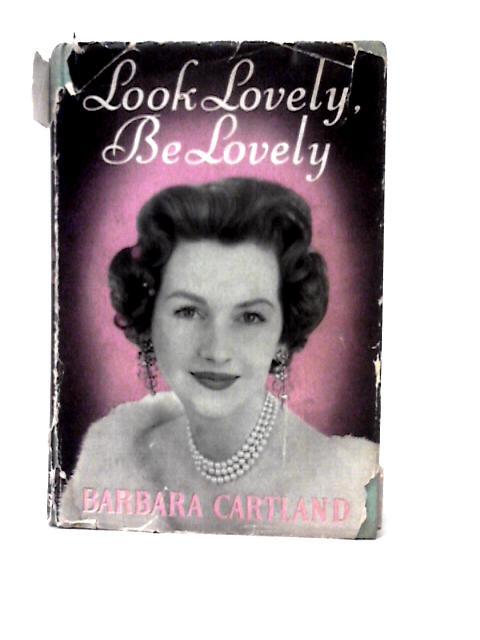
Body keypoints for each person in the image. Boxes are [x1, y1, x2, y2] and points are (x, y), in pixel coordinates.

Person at [60, 178, 379, 538]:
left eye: (250, 317)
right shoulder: (106, 467)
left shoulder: (351, 488)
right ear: (149, 321)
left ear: (284, 334)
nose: (216, 350)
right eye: (188, 311)